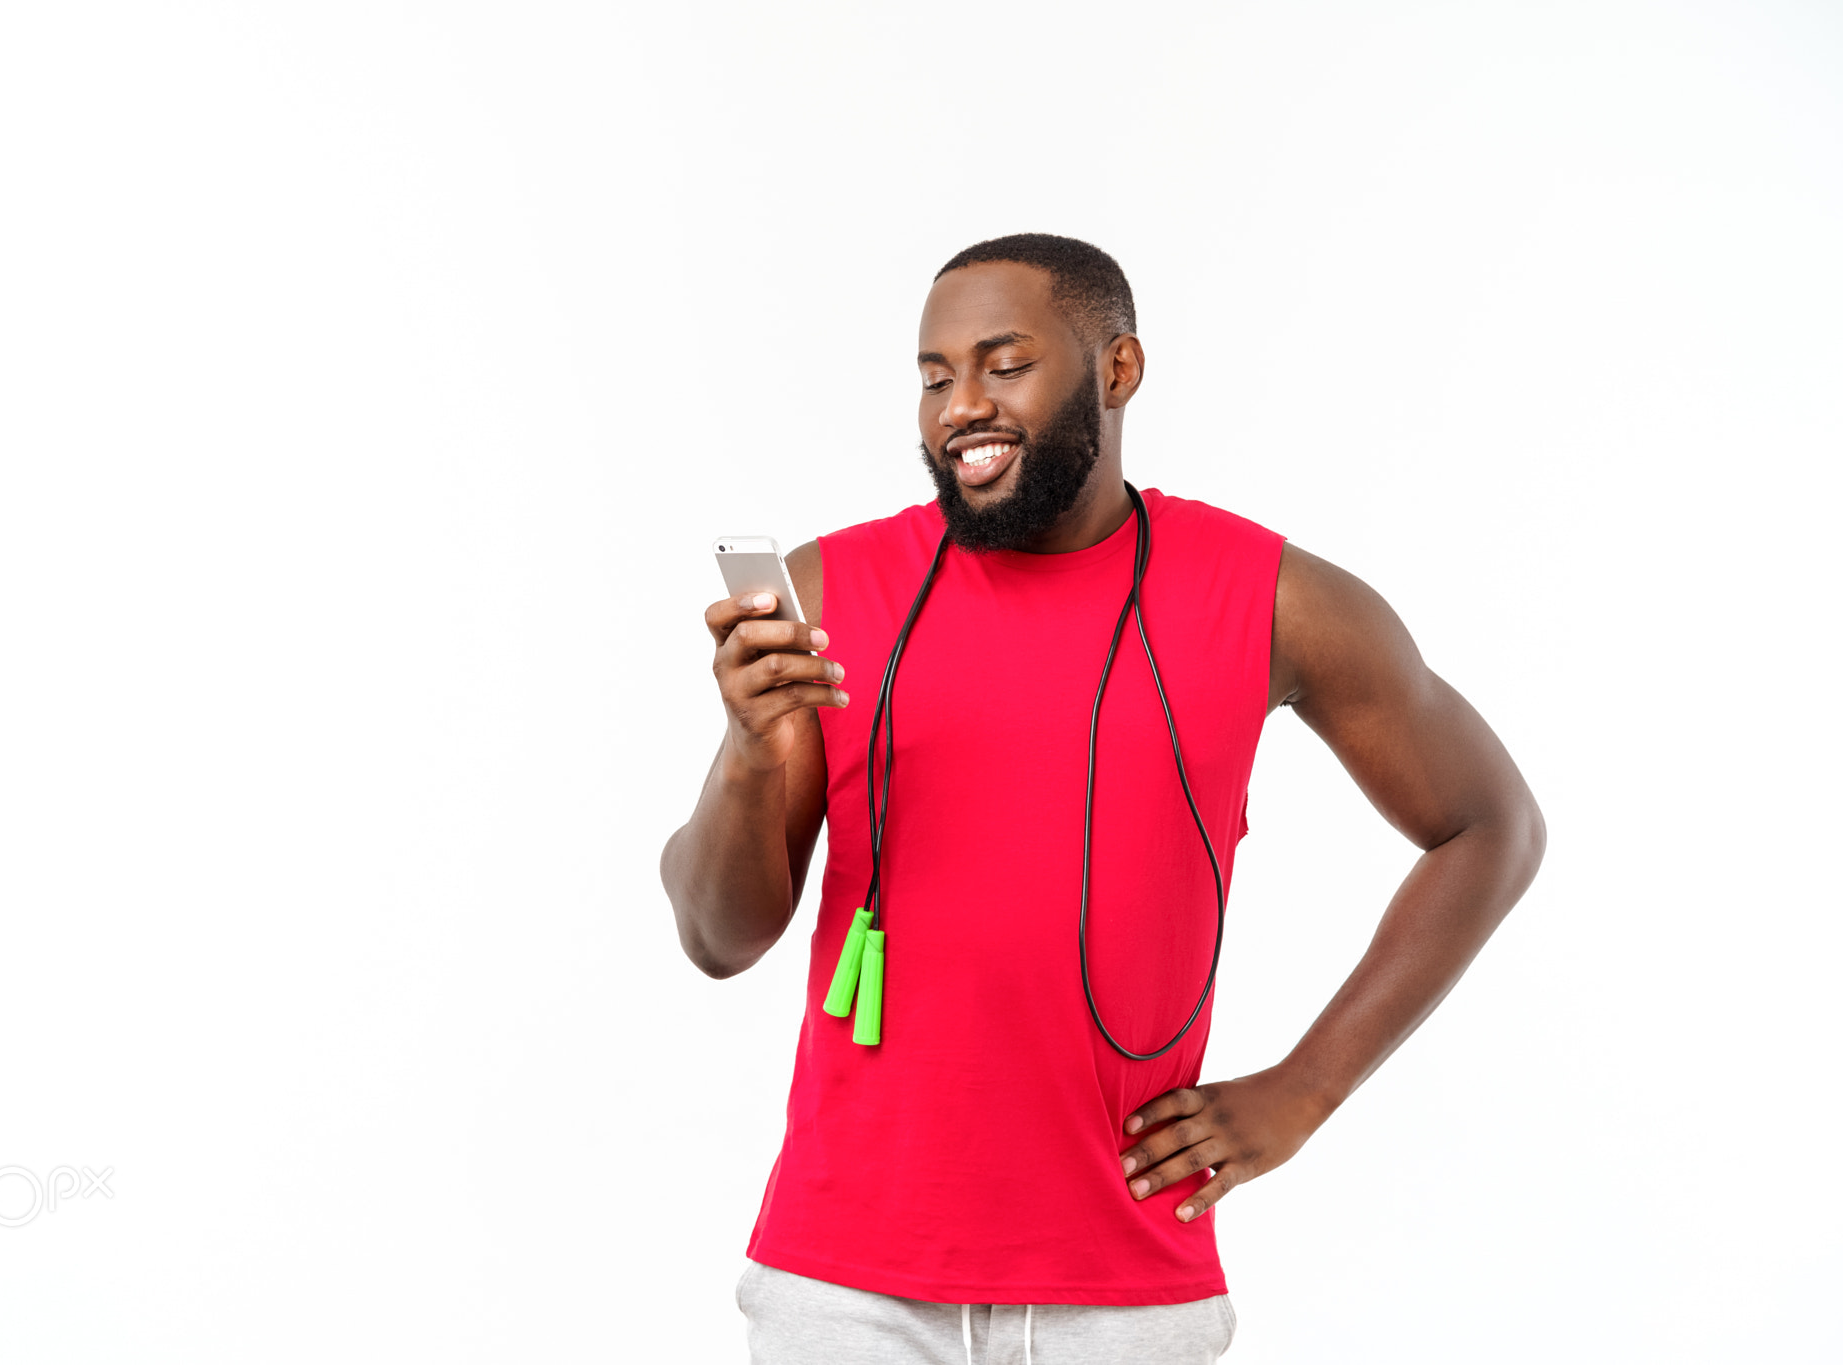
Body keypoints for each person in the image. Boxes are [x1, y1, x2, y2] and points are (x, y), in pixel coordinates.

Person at [660, 234, 1545, 1364]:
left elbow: (1489, 826)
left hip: (1123, 1288)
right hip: (845, 1286)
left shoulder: (1273, 598)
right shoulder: (830, 591)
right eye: (933, 378)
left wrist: (1305, 1089)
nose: (958, 408)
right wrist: (746, 751)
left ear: (1116, 370)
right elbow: (717, 936)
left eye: (1002, 364)